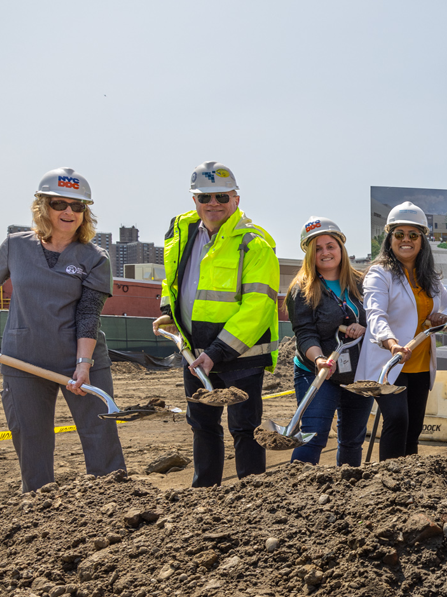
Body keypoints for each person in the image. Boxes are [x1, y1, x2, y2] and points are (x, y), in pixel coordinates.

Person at [154, 161, 279, 487]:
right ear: (194, 200)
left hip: (241, 356)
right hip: (195, 353)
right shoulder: (181, 233)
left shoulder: (254, 244)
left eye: (221, 197)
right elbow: (173, 282)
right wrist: (169, 310)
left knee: (244, 428)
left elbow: (258, 307)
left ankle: (253, 499)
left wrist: (217, 351)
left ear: (236, 199)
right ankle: (204, 497)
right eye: (205, 197)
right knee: (202, 425)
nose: (213, 204)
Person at [0, 168, 125, 492]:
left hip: (81, 362)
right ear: (43, 206)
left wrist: (83, 365)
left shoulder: (95, 258)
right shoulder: (14, 246)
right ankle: (40, 513)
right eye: (59, 204)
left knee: (101, 441)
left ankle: (112, 504)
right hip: (22, 361)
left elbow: (88, 314)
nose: (69, 212)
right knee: (31, 442)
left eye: (78, 206)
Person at [359, 203, 447, 460]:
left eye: (413, 235)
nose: (406, 240)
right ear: (389, 238)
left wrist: (444, 317)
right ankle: (386, 481)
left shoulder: (429, 277)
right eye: (399, 234)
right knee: (398, 421)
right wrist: (391, 344)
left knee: (413, 428)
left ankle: (408, 484)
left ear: (422, 240)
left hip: (421, 365)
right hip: (390, 364)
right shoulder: (379, 274)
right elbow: (375, 316)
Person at [284, 217, 371, 465]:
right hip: (318, 371)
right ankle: (297, 493)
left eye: (330, 246)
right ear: (310, 254)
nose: (325, 253)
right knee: (313, 437)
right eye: (317, 248)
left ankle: (346, 493)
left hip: (357, 373)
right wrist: (320, 359)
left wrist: (363, 326)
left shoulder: (362, 283)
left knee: (353, 439)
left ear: (341, 248)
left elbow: (377, 317)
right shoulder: (302, 289)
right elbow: (305, 333)